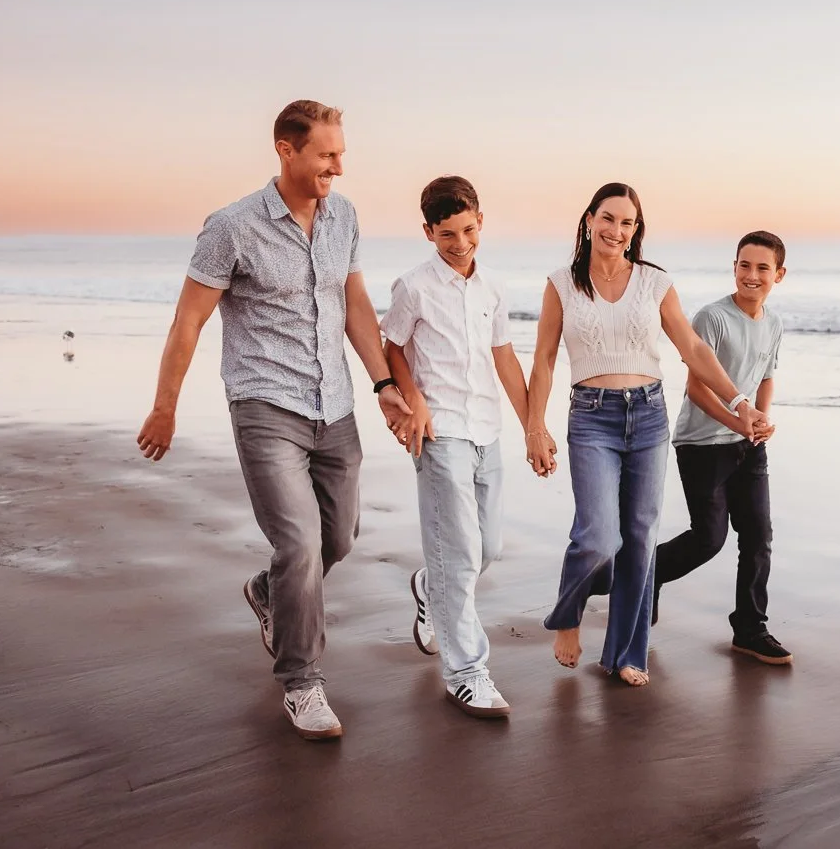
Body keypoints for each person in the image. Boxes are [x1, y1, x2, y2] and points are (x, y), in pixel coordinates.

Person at [134, 100, 410, 741]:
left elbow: (356, 303)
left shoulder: (344, 216)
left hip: (334, 402)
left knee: (337, 538)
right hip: (265, 403)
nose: (338, 167)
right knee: (301, 543)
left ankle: (267, 590)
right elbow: (188, 322)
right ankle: (303, 683)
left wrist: (384, 384)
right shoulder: (231, 227)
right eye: (327, 155)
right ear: (286, 151)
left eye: (341, 153)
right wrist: (164, 406)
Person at [526, 183, 759, 687]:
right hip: (591, 416)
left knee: (640, 538)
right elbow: (544, 360)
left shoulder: (655, 282)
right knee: (597, 536)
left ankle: (627, 653)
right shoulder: (562, 282)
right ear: (589, 219)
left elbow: (693, 349)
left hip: (649, 415)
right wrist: (534, 425)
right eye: (608, 219)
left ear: (637, 229)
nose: (616, 231)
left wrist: (739, 400)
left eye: (628, 223)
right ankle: (567, 617)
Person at [379, 176, 550, 719]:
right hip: (439, 432)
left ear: (482, 221)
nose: (460, 243)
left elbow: (504, 358)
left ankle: (430, 585)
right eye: (447, 233)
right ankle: (466, 673)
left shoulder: (494, 288)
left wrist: (533, 427)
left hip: (487, 430)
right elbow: (392, 348)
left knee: (487, 548)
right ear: (428, 231)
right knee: (460, 555)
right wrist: (414, 401)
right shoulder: (413, 287)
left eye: (469, 230)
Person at [654, 230, 793, 665]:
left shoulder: (773, 323)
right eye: (744, 265)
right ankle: (641, 577)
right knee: (707, 539)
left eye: (762, 268)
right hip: (701, 444)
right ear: (734, 267)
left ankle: (750, 629)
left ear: (779, 274)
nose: (751, 276)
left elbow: (766, 375)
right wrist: (741, 420)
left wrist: (761, 420)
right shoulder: (711, 318)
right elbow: (696, 388)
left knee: (758, 536)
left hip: (747, 443)